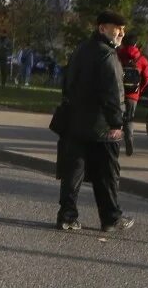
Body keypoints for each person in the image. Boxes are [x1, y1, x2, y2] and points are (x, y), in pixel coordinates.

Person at [56, 12, 131, 233]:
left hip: (76, 121)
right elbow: (113, 94)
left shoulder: (81, 50)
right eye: (117, 28)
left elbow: (67, 82)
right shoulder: (107, 55)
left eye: (123, 29)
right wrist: (118, 124)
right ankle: (111, 218)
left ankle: (67, 216)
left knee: (74, 171)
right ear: (102, 29)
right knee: (107, 173)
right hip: (102, 126)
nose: (121, 33)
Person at [117, 32, 148, 158]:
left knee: (116, 117)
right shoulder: (142, 59)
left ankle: (115, 143)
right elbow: (146, 79)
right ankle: (129, 138)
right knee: (129, 118)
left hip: (118, 92)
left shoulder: (117, 55)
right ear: (136, 44)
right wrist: (139, 91)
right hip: (133, 94)